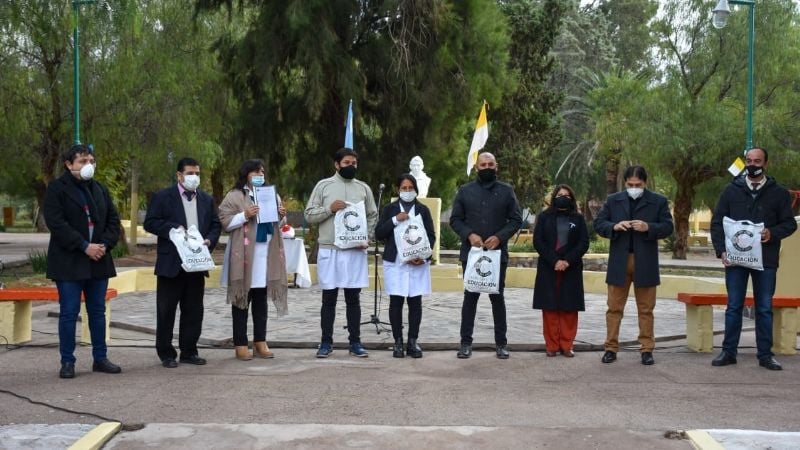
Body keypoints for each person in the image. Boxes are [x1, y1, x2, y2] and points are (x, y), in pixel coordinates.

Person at [710, 147, 797, 371]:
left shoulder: (778, 193)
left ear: (766, 164)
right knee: (734, 306)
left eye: (757, 161)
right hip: (736, 260)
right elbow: (718, 221)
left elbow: (789, 224)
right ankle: (728, 352)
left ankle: (765, 355)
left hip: (765, 261)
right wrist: (721, 250)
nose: (752, 165)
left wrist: (772, 233)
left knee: (764, 308)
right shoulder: (731, 190)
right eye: (749, 161)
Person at [44, 144, 122, 379]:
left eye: (90, 160)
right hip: (69, 261)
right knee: (69, 312)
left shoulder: (99, 188)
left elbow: (112, 220)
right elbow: (56, 223)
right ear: (69, 165)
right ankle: (67, 361)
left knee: (97, 312)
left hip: (98, 260)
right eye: (82, 161)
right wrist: (84, 246)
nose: (88, 165)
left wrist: (104, 245)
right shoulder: (57, 189)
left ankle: (100, 358)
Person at [144, 157, 221, 368]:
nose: (194, 177)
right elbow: (150, 222)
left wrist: (209, 240)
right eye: (190, 173)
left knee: (194, 310)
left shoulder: (206, 199)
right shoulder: (163, 197)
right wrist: (172, 230)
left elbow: (215, 225)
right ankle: (166, 353)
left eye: (197, 173)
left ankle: (189, 351)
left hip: (196, 263)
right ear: (179, 175)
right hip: (171, 264)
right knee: (166, 310)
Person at [594, 165, 673, 366]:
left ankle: (647, 349)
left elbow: (667, 227)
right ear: (625, 183)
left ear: (645, 183)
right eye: (630, 184)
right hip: (620, 261)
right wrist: (614, 226)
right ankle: (610, 348)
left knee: (646, 309)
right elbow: (599, 224)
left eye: (638, 184)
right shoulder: (613, 200)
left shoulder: (658, 201)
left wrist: (649, 227)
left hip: (645, 261)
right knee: (614, 308)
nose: (634, 187)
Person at [304, 148, 378, 358]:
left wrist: (367, 236)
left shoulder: (363, 188)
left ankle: (355, 342)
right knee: (329, 298)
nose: (351, 166)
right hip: (331, 250)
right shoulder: (324, 185)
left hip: (355, 251)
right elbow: (309, 214)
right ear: (337, 164)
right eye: (347, 162)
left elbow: (373, 215)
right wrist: (329, 209)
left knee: (353, 299)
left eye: (354, 163)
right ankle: (326, 343)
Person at [450, 152, 522, 359]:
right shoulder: (465, 191)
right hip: (472, 254)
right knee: (470, 298)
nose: (487, 167)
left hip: (497, 254)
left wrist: (500, 237)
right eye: (483, 165)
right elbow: (455, 219)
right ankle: (465, 343)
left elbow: (516, 220)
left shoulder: (507, 191)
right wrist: (469, 234)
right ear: (476, 168)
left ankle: (501, 344)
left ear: (496, 167)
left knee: (497, 299)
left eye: (491, 164)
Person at [218, 160, 288, 361]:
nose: (261, 174)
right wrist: (244, 215)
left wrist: (281, 215)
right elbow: (225, 222)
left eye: (263, 171)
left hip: (266, 254)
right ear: (246, 173)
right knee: (241, 300)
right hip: (245, 255)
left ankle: (260, 341)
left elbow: (277, 224)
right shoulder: (234, 196)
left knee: (260, 301)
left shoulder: (271, 194)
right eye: (256, 171)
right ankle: (240, 343)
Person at [375, 174, 436, 358]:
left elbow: (431, 236)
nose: (407, 191)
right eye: (404, 188)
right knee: (396, 302)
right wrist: (395, 220)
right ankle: (398, 342)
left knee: (415, 303)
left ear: (415, 189)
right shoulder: (390, 209)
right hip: (396, 262)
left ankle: (412, 342)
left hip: (417, 263)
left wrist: (423, 257)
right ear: (398, 190)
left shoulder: (423, 210)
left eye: (410, 188)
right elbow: (379, 233)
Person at [533, 184, 589, 358]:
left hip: (570, 268)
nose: (562, 197)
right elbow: (538, 241)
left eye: (566, 195)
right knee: (549, 307)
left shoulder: (578, 219)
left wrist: (567, 261)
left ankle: (567, 345)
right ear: (554, 198)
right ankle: (551, 346)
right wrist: (555, 260)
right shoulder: (544, 217)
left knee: (569, 308)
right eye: (559, 194)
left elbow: (583, 243)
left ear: (571, 198)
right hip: (549, 267)